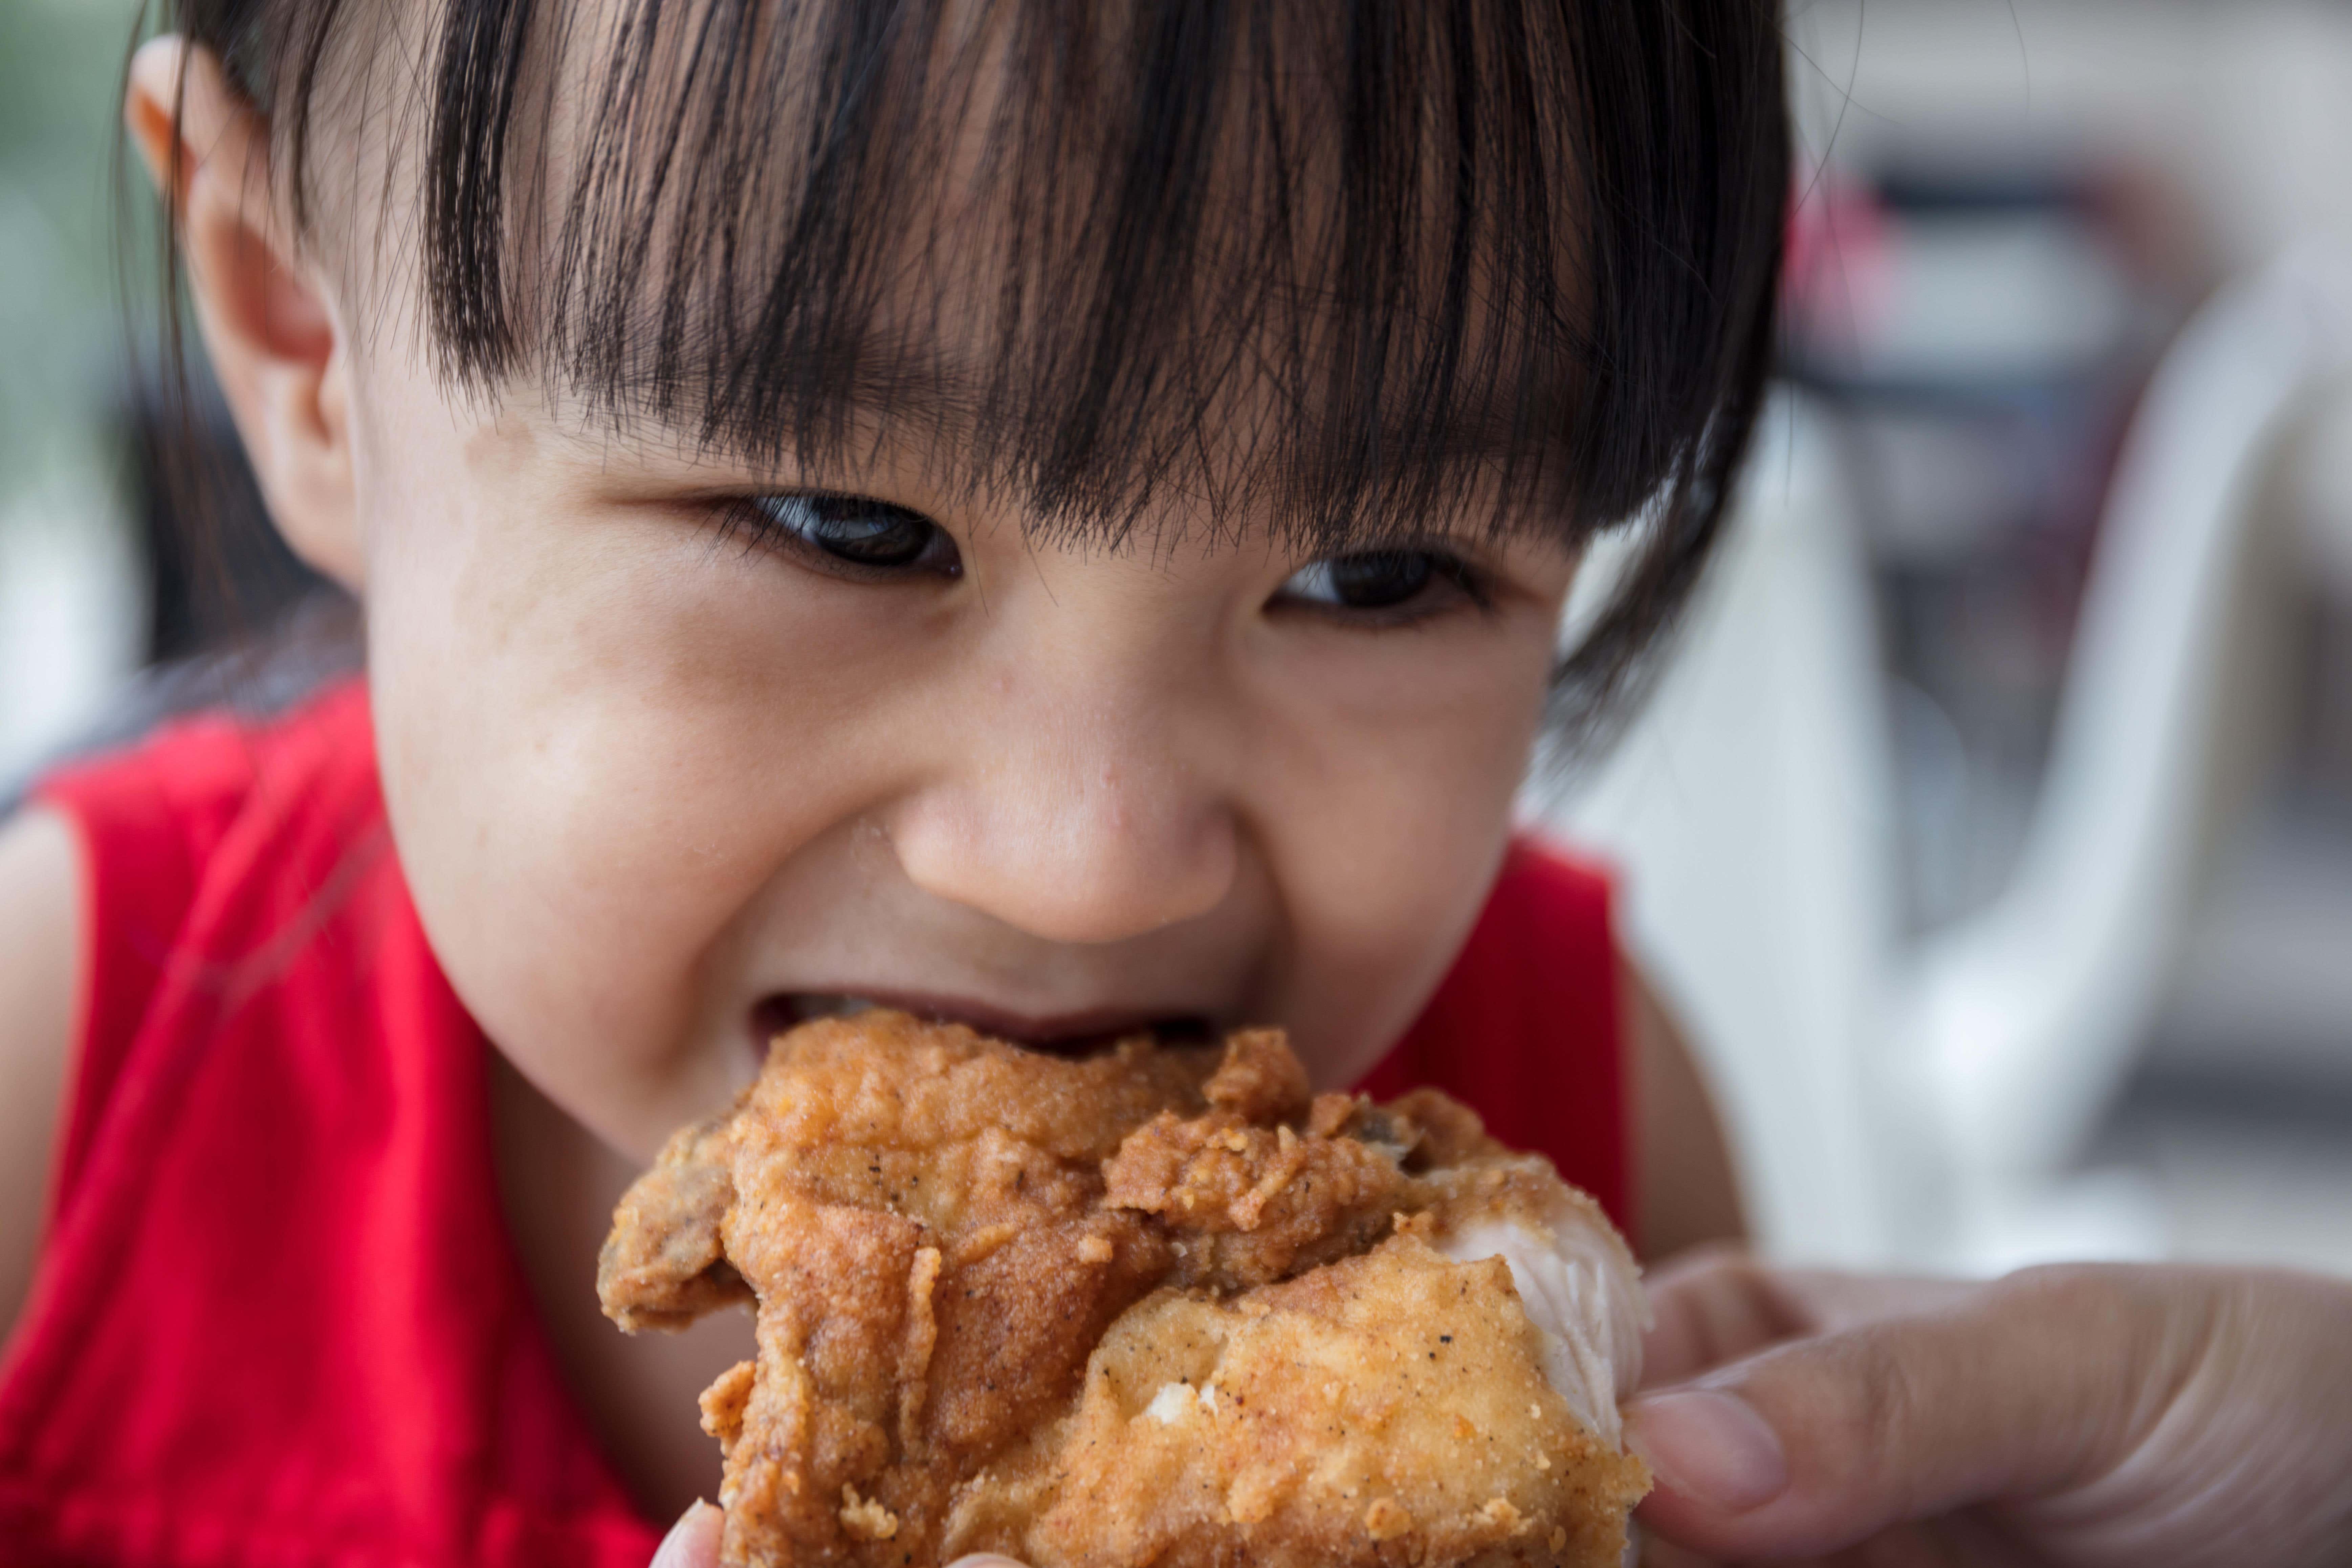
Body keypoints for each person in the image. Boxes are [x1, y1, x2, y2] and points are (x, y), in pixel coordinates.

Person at [0, 2, 1775, 1560]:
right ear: (308, 344)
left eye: (1373, 576)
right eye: (848, 527)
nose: (1088, 863)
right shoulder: (63, 1088)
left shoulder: (1584, 1196)